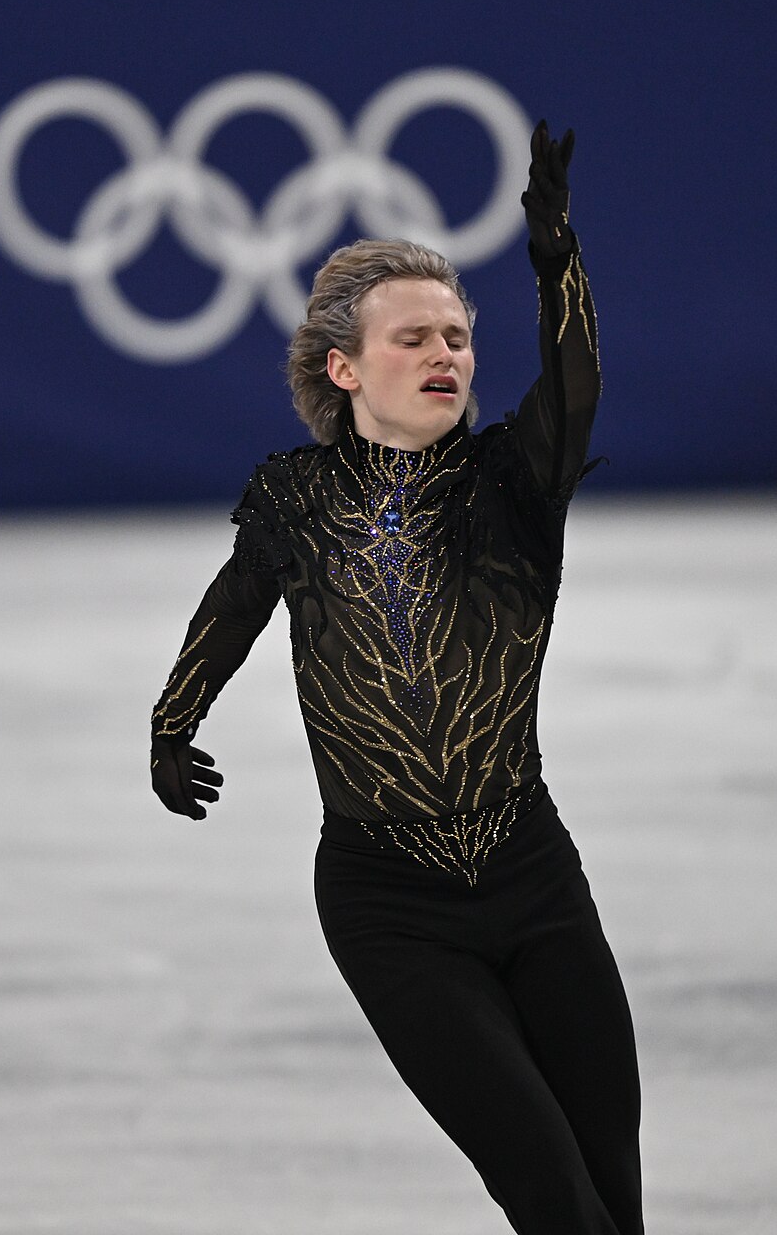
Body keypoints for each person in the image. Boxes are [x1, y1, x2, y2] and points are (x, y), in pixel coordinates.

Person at [148, 122, 641, 1235]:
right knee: (549, 1191)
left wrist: (555, 257)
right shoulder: (294, 498)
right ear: (345, 367)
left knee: (612, 1184)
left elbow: (575, 386)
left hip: (534, 876)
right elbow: (232, 608)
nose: (444, 354)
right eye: (412, 336)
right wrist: (172, 724)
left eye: (457, 336)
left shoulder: (515, 482)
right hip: (390, 906)